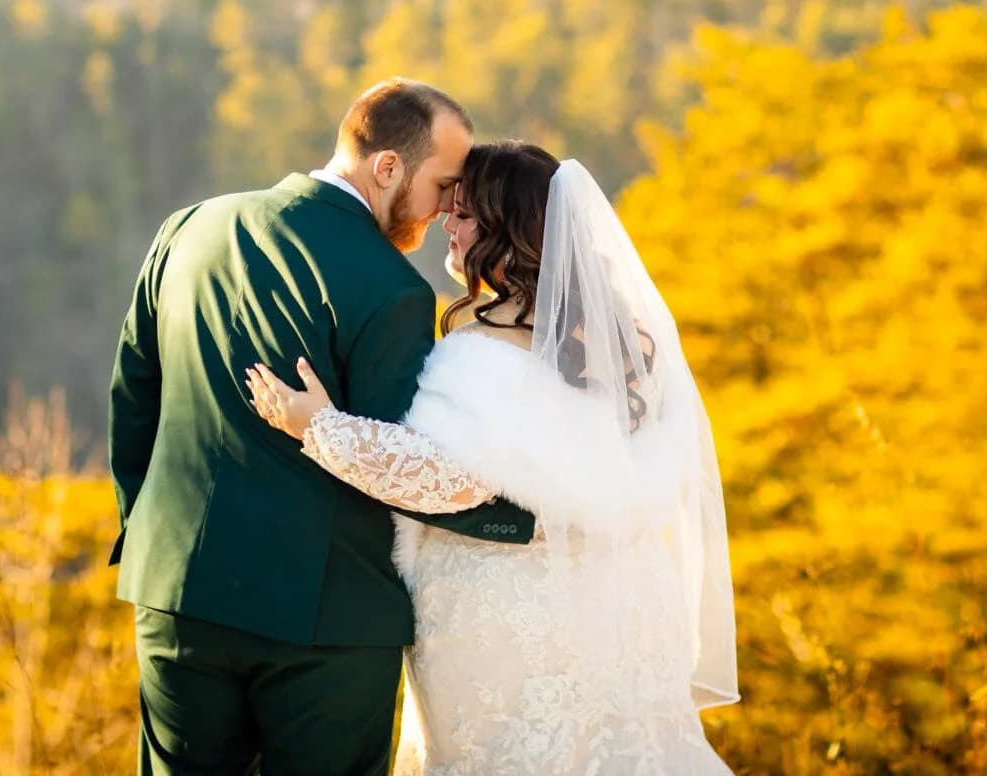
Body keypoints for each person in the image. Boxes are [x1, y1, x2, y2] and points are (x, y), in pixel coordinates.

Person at [249, 140, 737, 775]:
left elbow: (451, 479)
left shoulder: (483, 348)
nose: (447, 224)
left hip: (506, 624)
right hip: (624, 609)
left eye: (466, 214)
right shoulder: (629, 346)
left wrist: (320, 428)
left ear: (509, 232)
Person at [108, 79, 538, 776]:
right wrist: (524, 518)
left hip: (175, 591)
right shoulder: (393, 289)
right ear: (388, 168)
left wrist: (153, 531)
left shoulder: (186, 229)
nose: (447, 210)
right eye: (444, 186)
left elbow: (134, 398)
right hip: (329, 620)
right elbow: (402, 462)